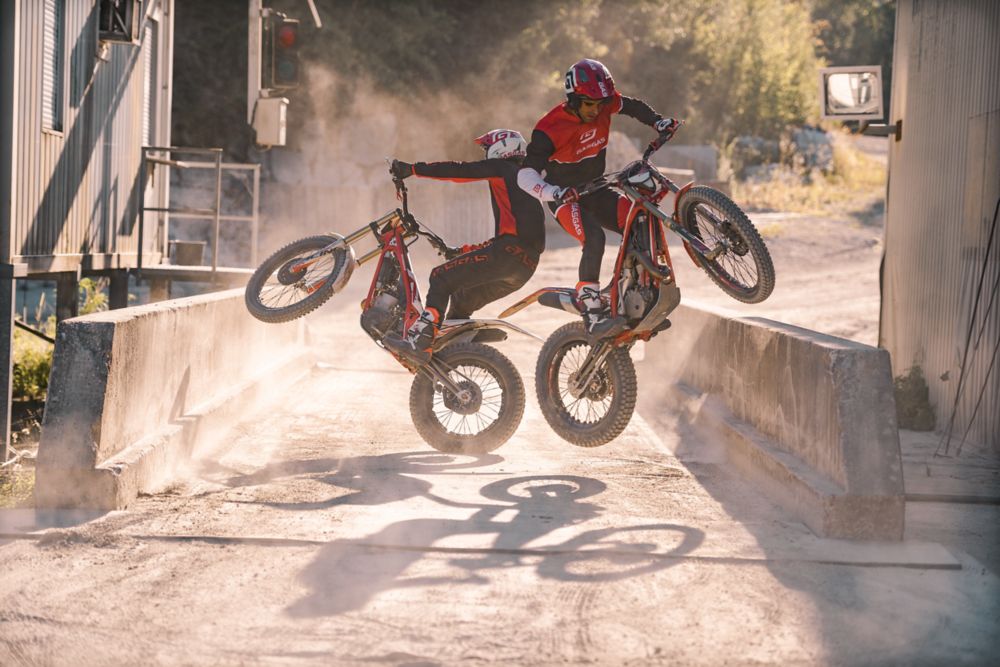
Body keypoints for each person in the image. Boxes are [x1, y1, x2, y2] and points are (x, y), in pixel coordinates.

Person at [518, 58, 680, 336]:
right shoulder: (548, 128)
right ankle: (591, 312)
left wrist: (657, 121)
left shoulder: (604, 103)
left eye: (601, 104)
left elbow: (631, 106)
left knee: (639, 220)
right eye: (589, 104)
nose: (596, 110)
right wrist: (552, 192)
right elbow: (524, 176)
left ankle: (640, 298)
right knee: (594, 239)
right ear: (573, 100)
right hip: (566, 199)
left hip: (597, 189)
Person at [382, 129, 546, 364]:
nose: (486, 154)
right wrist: (464, 251)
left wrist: (413, 169)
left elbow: (460, 170)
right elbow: (513, 240)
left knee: (440, 277)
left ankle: (419, 342)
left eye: (487, 149)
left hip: (507, 256)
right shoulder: (526, 183)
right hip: (524, 269)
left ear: (501, 148)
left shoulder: (503, 169)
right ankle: (452, 356)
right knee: (460, 301)